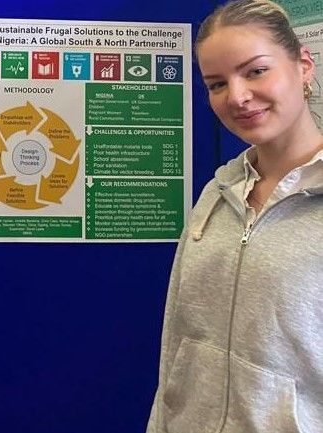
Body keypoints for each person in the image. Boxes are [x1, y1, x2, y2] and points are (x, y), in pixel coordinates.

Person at [146, 1, 323, 432]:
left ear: (303, 66)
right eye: (217, 83)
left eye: (256, 71)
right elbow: (176, 339)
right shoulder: (219, 192)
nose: (238, 97)